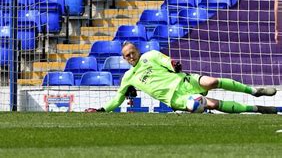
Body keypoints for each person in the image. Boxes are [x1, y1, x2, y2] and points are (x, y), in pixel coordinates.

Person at [86, 42, 279, 114]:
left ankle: (254, 91)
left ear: (137, 51)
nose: (131, 56)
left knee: (211, 81)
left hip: (183, 81)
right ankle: (257, 109)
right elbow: (117, 99)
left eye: (132, 52)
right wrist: (101, 109)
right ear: (124, 59)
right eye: (127, 55)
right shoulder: (128, 77)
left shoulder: (149, 56)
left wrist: (174, 65)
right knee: (210, 104)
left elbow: (167, 61)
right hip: (176, 99)